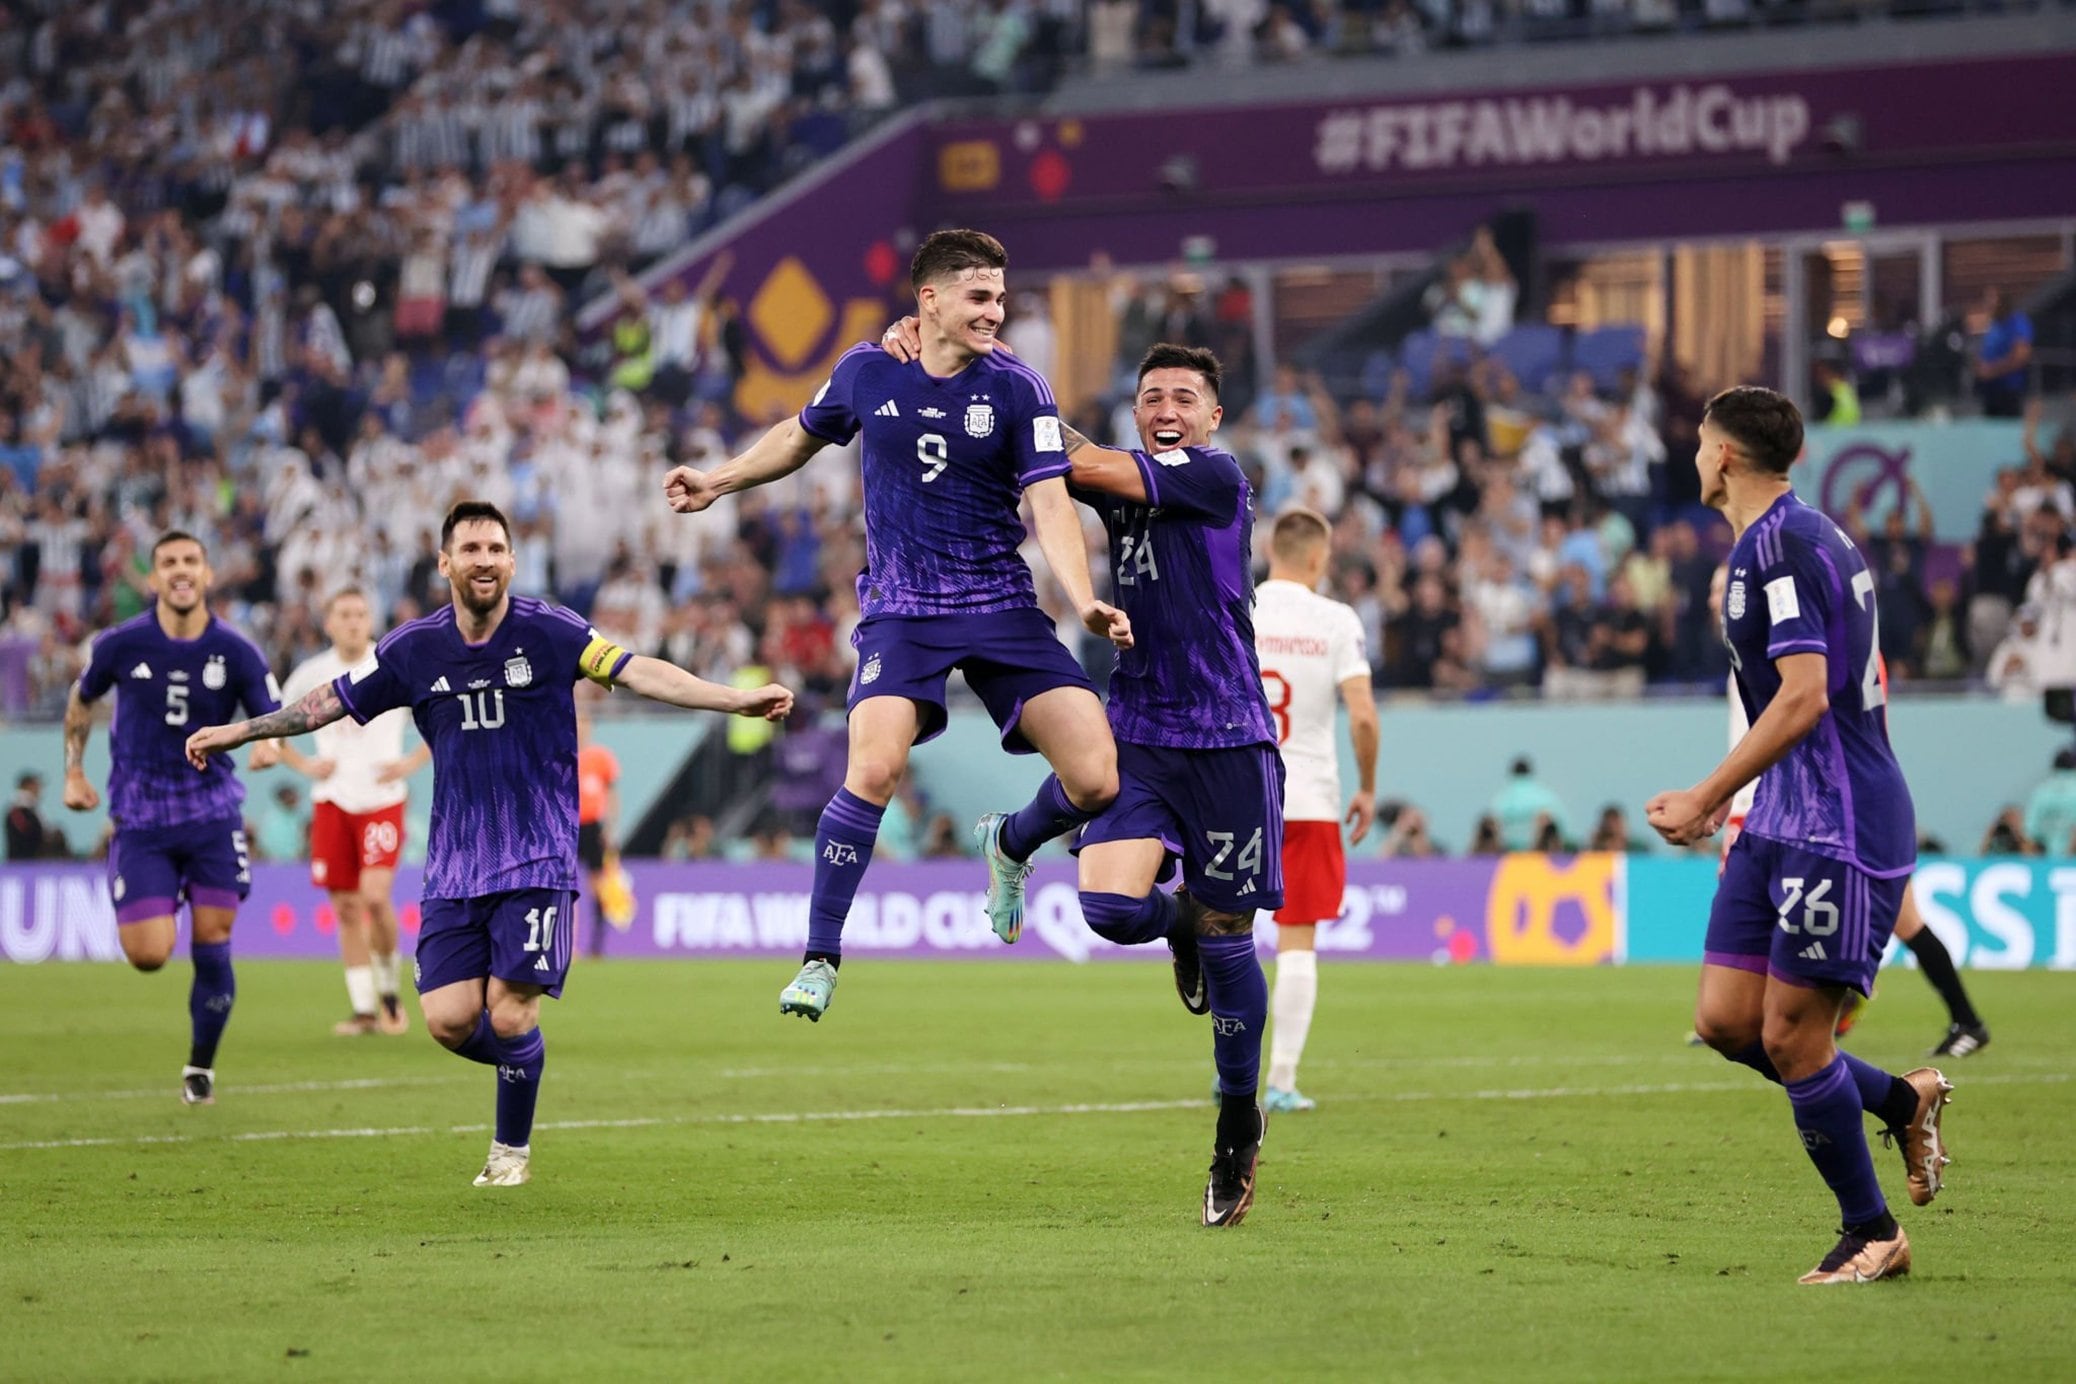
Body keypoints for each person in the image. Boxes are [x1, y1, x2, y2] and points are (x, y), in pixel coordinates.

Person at [185, 501, 792, 1187]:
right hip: (453, 865)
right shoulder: (414, 650)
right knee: (448, 1021)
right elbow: (326, 701)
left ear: (511, 561)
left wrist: (729, 699)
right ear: (445, 562)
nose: (484, 559)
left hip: (537, 853)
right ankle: (523, 1060)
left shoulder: (552, 631)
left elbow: (637, 669)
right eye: (470, 548)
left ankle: (510, 1151)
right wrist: (243, 731)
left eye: (496, 549)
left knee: (508, 1009)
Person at [663, 229, 1131, 1022]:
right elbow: (795, 438)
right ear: (931, 300)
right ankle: (819, 957)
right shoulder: (866, 369)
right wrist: (719, 480)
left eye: (1000, 297)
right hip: (903, 611)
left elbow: (1049, 500)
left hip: (1000, 605)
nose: (996, 312)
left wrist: (1081, 597)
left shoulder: (1021, 388)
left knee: (1096, 779)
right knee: (872, 770)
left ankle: (1011, 842)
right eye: (980, 297)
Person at [1648, 387, 1952, 1286]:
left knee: (1792, 1037)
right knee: (1727, 1022)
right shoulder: (1791, 537)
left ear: (1727, 457)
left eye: (1702, 441)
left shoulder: (1779, 548)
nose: (1696, 455)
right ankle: (1903, 1101)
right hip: (1783, 816)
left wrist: (1706, 793)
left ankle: (1873, 1233)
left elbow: (1806, 694)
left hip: (1838, 823)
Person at [1047, 343, 1284, 1228]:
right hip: (1141, 729)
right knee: (1109, 910)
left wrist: (987, 373)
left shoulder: (1215, 474)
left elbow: (1068, 455)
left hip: (1227, 736)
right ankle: (1173, 920)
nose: (1167, 406)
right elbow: (1052, 458)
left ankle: (1235, 1123)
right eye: (1151, 397)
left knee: (1232, 941)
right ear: (1137, 411)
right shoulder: (1124, 475)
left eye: (1185, 395)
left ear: (1213, 415)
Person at [1707, 565, 1991, 1057]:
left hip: (1831, 810)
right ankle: (1955, 1018)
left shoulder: (1796, 653)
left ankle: (1953, 1018)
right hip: (1808, 805)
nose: (1718, 598)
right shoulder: (1760, 650)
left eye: (1722, 589)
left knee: (1901, 921)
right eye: (1715, 590)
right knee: (1891, 920)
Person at [62, 531, 283, 1105]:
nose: (180, 571)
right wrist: (73, 771)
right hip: (140, 818)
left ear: (208, 575)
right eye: (168, 563)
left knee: (215, 940)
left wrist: (267, 746)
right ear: (153, 578)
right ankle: (166, 894)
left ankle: (200, 1069)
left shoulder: (237, 650)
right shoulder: (120, 645)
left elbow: (272, 717)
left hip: (212, 816)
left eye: (190, 561)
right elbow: (82, 699)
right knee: (148, 954)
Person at [1252, 506, 1378, 1114]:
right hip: (1306, 801)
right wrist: (1369, 786)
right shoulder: (1335, 620)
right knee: (1296, 940)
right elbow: (1362, 715)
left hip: (1237, 795)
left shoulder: (1236, 608)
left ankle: (1231, 1072)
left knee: (1222, 932)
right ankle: (1279, 1080)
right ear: (1316, 557)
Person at [280, 588, 428, 1037]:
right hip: (332, 800)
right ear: (328, 623)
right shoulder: (311, 673)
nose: (353, 621)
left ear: (370, 619)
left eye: (361, 613)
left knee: (376, 896)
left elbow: (441, 719)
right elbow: (276, 726)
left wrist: (409, 763)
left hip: (382, 799)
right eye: (343, 613)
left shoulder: (393, 664)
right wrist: (304, 764)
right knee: (346, 907)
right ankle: (365, 1010)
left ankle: (389, 992)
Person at [576, 705, 621, 957]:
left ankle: (597, 944)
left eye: (585, 725)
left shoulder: (600, 758)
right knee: (563, 886)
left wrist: (611, 828)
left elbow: (612, 795)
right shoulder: (562, 755)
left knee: (597, 885)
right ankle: (566, 945)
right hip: (568, 828)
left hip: (593, 827)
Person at [1489, 756, 1567, 852]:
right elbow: (1562, 828)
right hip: (1541, 854)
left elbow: (1491, 828)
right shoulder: (1545, 796)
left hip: (1508, 855)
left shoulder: (1501, 799)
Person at [6, 772, 61, 860]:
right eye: (37, 785)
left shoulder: (30, 809)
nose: (39, 789)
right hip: (23, 863)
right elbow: (28, 835)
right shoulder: (18, 811)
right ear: (29, 786)